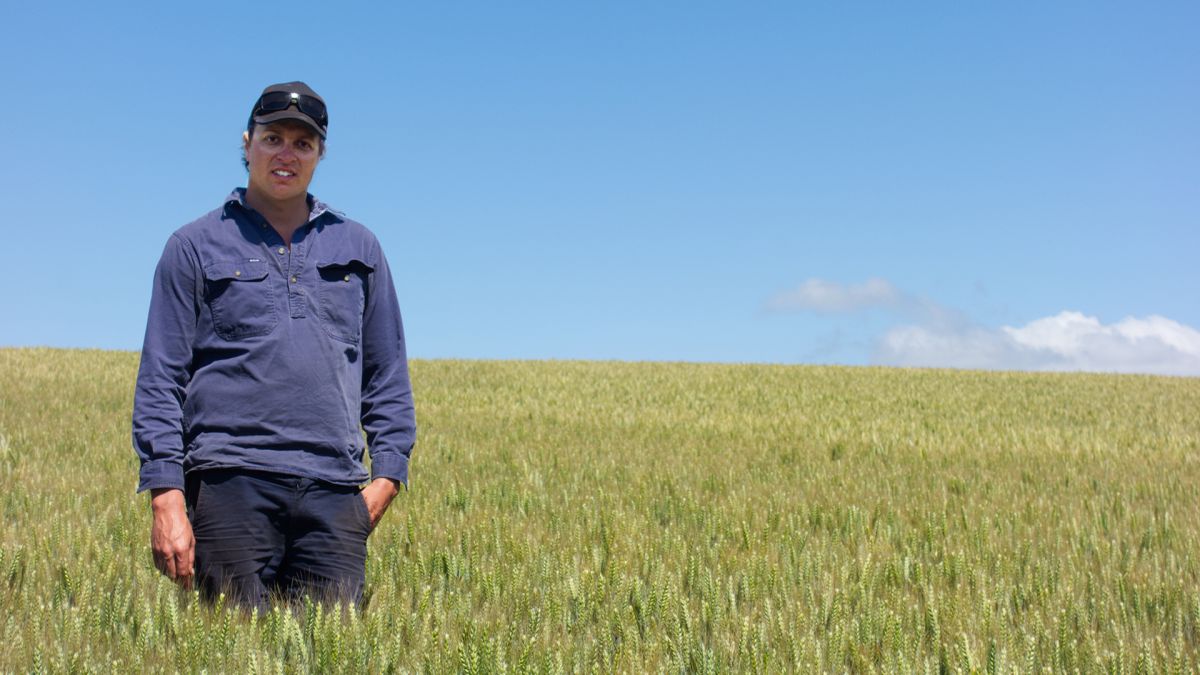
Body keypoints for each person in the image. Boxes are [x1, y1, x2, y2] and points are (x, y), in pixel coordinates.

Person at [132, 81, 415, 610]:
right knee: (231, 657)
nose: (286, 154)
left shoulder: (360, 248)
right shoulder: (193, 245)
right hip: (230, 483)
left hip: (334, 494)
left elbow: (387, 373)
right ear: (247, 144)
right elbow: (161, 378)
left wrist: (387, 480)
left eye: (302, 144)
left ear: (320, 155)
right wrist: (166, 496)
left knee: (334, 661)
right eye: (273, 138)